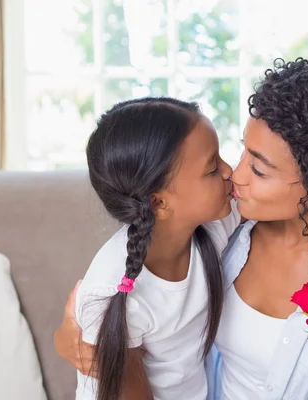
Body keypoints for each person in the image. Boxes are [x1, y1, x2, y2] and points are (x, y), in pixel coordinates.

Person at [56, 58, 308, 400]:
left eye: (258, 168)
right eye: (242, 153)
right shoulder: (228, 231)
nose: (234, 176)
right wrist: (72, 336)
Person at [73, 97, 241, 400]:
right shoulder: (114, 292)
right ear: (158, 202)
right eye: (213, 168)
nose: (231, 171)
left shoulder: (213, 225)